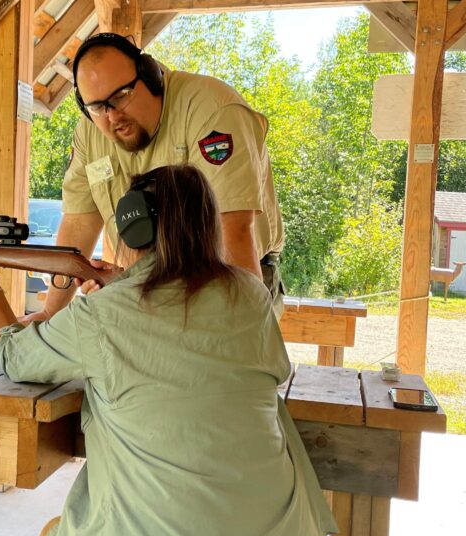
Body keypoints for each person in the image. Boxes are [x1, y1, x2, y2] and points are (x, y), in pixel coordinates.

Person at [0, 164, 335, 536]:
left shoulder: (105, 313)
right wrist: (129, 286)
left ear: (133, 225)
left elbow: (12, 354)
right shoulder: (251, 296)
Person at [24, 32, 285, 324]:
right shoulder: (89, 131)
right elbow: (78, 223)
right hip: (143, 287)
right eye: (97, 107)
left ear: (150, 76)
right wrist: (50, 313)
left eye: (121, 96)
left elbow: (231, 233)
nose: (112, 117)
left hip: (224, 284)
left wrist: (241, 330)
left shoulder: (211, 109)